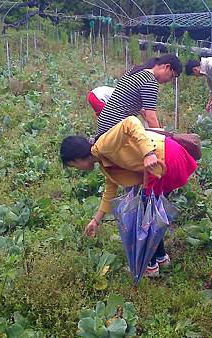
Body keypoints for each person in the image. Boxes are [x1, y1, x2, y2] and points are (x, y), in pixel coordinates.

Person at [60, 116, 197, 277]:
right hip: (160, 164)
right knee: (151, 215)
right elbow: (110, 190)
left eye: (73, 165)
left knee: (145, 219)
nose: (77, 169)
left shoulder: (103, 145)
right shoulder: (103, 160)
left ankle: (150, 266)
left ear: (77, 159)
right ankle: (161, 258)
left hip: (164, 159)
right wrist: (96, 220)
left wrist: (148, 154)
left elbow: (131, 122)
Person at [97, 54, 182, 137]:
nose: (169, 80)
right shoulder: (150, 82)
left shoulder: (136, 71)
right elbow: (151, 117)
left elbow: (132, 102)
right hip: (115, 128)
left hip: (104, 123)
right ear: (167, 67)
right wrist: (162, 138)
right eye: (171, 76)